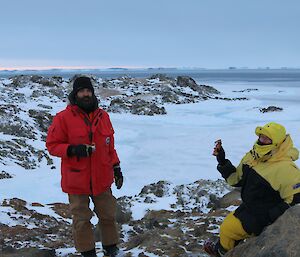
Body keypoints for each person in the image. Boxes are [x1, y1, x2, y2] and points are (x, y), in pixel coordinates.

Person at [46, 75, 123, 257]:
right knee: (81, 220)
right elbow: (52, 145)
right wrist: (73, 149)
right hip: (76, 179)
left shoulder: (103, 116)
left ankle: (111, 249)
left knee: (108, 216)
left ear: (93, 93)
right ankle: (88, 253)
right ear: (75, 94)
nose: (85, 94)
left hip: (102, 177)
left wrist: (117, 168)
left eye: (88, 90)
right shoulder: (63, 118)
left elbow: (109, 147)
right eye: (81, 91)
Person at [204, 122, 300, 256]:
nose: (262, 141)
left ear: (277, 143)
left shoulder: (286, 168)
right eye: (261, 137)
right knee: (228, 227)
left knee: (227, 229)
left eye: (267, 139)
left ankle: (222, 252)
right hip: (251, 206)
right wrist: (222, 160)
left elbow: (295, 200)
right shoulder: (254, 156)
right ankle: (230, 248)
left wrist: (270, 217)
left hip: (262, 214)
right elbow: (236, 179)